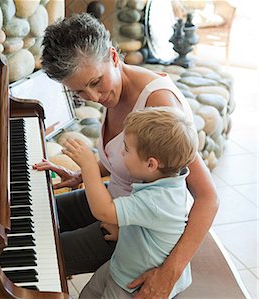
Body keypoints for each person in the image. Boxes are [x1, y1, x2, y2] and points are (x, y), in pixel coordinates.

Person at [33, 13, 218, 298]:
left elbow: (208, 198)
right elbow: (130, 162)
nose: (93, 97)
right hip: (114, 201)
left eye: (96, 82)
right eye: (79, 91)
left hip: (136, 225)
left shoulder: (160, 107)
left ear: (113, 56)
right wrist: (83, 175)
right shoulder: (113, 89)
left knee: (38, 254)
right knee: (38, 213)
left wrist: (169, 273)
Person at [62, 107, 197, 298]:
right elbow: (150, 223)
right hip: (121, 267)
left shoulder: (158, 199)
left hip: (134, 285)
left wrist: (89, 167)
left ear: (151, 164)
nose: (122, 154)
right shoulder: (165, 181)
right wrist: (128, 231)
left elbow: (103, 211)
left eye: (126, 149)